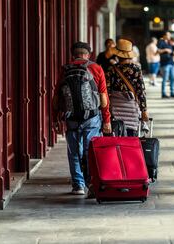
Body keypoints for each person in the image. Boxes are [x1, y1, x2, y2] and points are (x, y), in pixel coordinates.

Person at [53, 42, 112, 197]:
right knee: (90, 150)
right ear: (89, 54)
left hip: (71, 117)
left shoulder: (65, 69)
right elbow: (103, 98)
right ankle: (92, 182)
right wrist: (107, 120)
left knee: (74, 151)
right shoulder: (96, 68)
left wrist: (55, 118)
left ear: (73, 54)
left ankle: (78, 184)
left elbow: (57, 95)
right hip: (91, 116)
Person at [105, 39, 149, 136]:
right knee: (131, 135)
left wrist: (106, 110)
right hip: (131, 108)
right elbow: (141, 91)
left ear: (117, 55)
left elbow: (106, 90)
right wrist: (144, 110)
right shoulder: (136, 69)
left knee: (117, 134)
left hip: (115, 108)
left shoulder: (111, 69)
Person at [158, 31, 174, 98]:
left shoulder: (170, 42)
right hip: (165, 63)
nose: (169, 36)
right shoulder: (161, 42)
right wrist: (165, 50)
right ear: (164, 36)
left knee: (173, 77)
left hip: (171, 62)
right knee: (165, 78)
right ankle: (163, 93)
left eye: (170, 35)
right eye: (168, 35)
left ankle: (172, 92)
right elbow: (158, 51)